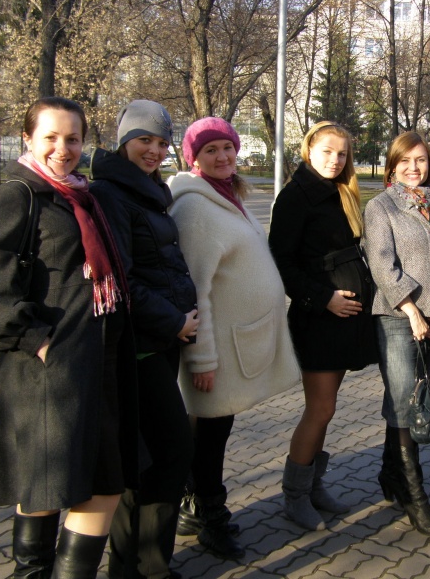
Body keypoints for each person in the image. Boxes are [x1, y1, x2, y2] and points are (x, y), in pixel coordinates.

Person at [0, 96, 136, 578]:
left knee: (86, 483)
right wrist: (40, 342)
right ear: (28, 139)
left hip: (99, 362)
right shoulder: (20, 194)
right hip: (50, 372)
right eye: (51, 137)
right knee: (60, 486)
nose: (63, 149)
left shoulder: (85, 196)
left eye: (73, 139)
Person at [167, 117, 300, 558]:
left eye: (227, 147)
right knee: (211, 436)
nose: (223, 156)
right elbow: (194, 290)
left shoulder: (226, 194)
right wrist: (202, 359)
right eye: (211, 150)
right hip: (217, 349)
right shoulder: (195, 208)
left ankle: (193, 505)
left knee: (212, 431)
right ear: (194, 158)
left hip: (235, 341)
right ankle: (212, 519)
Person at [90, 100, 198, 579]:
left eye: (161, 142)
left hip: (161, 341)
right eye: (144, 140)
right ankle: (148, 566)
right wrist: (174, 321)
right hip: (139, 344)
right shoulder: (112, 193)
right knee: (170, 451)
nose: (154, 150)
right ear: (123, 141)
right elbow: (122, 278)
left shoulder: (148, 189)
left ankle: (134, 565)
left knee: (146, 456)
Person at [269, 120, 378, 531]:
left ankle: (313, 486)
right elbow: (281, 262)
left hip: (343, 321)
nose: (335, 160)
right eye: (327, 152)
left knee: (326, 409)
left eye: (342, 153)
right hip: (318, 318)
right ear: (308, 150)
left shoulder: (340, 191)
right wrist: (324, 298)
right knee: (320, 408)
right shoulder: (295, 196)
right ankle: (295, 495)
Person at [362, 131, 430, 537]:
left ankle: (390, 474)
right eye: (405, 161)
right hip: (397, 318)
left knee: (410, 396)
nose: (414, 168)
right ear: (392, 166)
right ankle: (416, 497)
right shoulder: (381, 206)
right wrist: (411, 308)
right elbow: (381, 264)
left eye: (420, 160)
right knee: (405, 404)